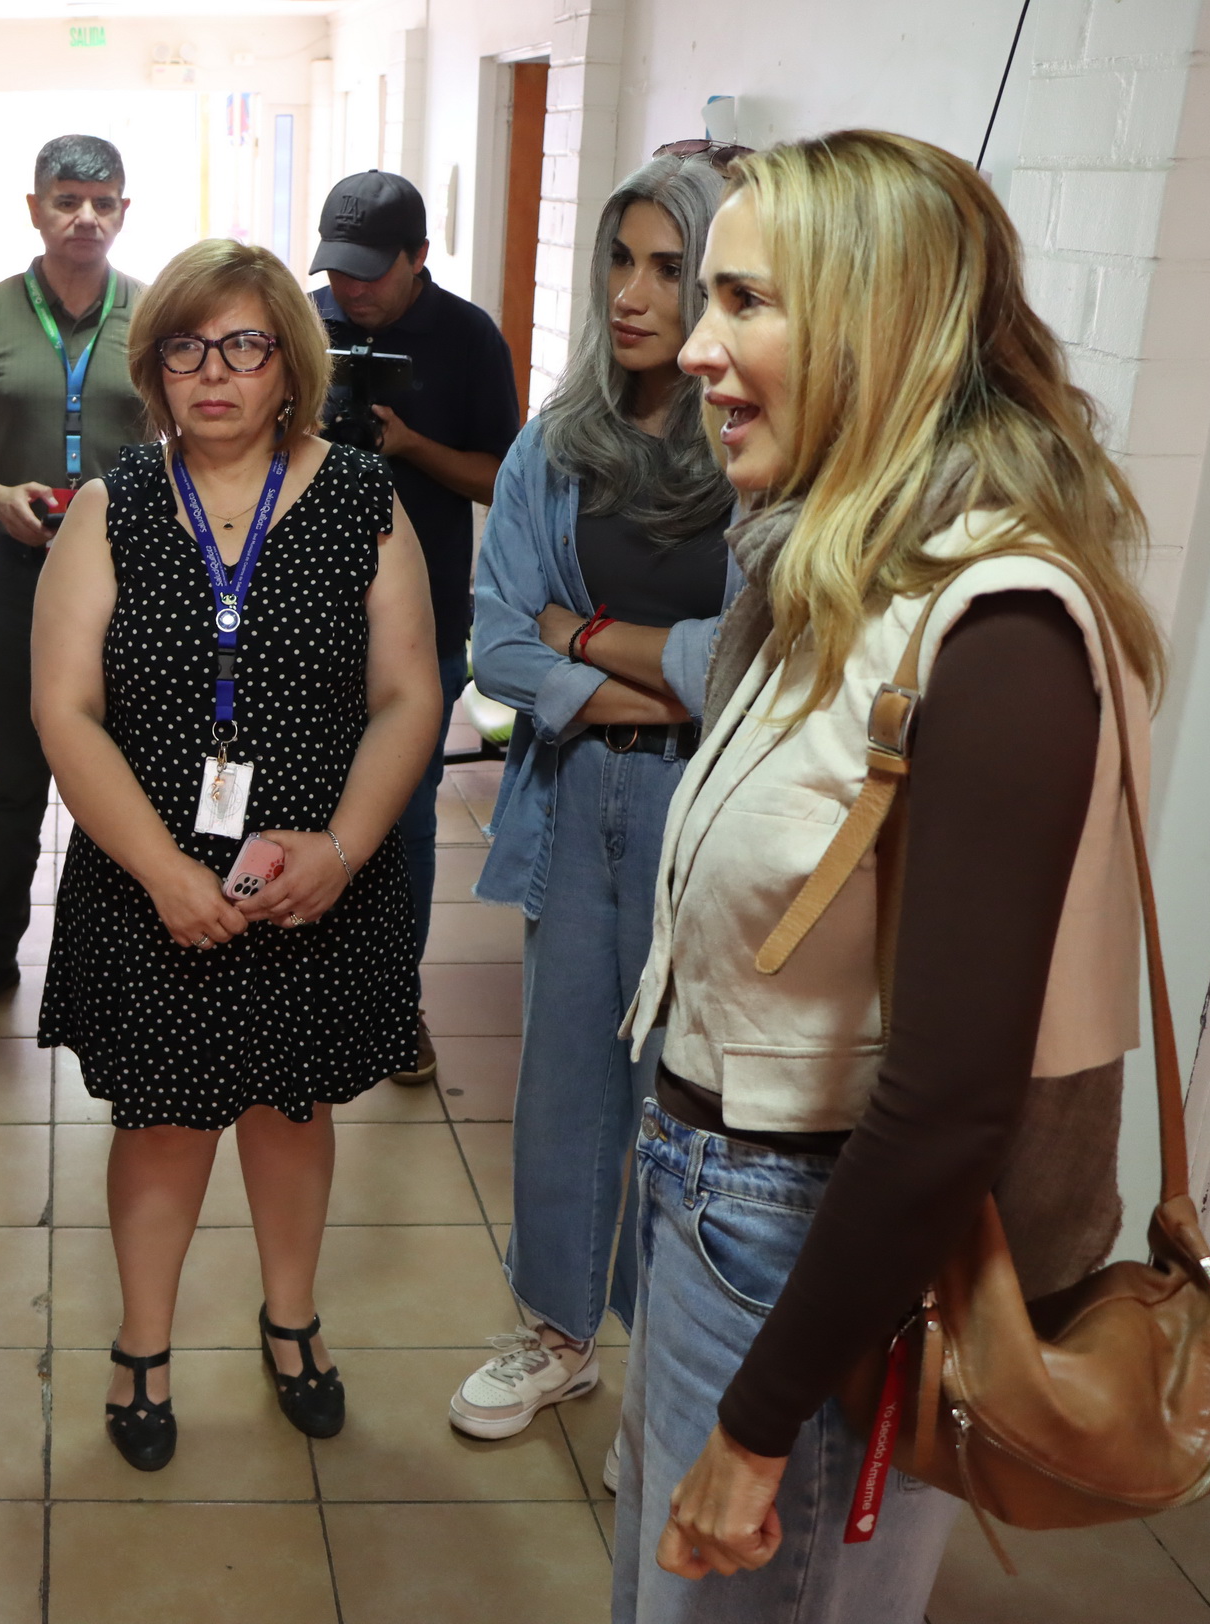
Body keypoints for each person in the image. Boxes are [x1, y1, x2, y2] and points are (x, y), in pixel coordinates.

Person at [614, 131, 1164, 1621]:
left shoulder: (998, 632)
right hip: (715, 1205)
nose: (700, 350)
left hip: (811, 1252)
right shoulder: (838, 573)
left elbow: (946, 1106)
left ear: (881, 323)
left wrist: (759, 1421)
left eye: (745, 302)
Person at [34, 239, 441, 1470]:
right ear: (155, 366)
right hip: (145, 870)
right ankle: (142, 1350)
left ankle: (292, 1323)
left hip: (306, 878)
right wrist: (163, 872)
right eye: (187, 347)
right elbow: (63, 710)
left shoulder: (363, 496)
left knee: (288, 1103)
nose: (216, 373)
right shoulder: (114, 503)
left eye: (246, 346)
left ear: (288, 363)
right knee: (160, 1119)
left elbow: (410, 696)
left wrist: (342, 846)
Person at [449, 152, 740, 1452]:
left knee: (693, 1098)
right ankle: (559, 1337)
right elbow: (498, 644)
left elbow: (749, 667)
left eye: (668, 268)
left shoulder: (766, 462)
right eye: (620, 260)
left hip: (712, 808)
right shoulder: (554, 444)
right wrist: (645, 673)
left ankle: (672, 1372)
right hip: (575, 800)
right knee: (569, 1080)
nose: (631, 293)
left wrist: (587, 634)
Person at [0, 134, 153, 1025]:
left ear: (123, 212)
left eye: (102, 201)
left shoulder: (158, 311)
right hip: (21, 568)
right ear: (34, 208)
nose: (84, 216)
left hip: (135, 577)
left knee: (132, 769)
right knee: (18, 773)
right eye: (66, 199)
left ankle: (127, 956)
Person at [311, 170, 522, 1086]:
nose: (350, 292)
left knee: (403, 819)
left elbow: (501, 480)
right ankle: (303, 987)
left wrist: (411, 447)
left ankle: (394, 1000)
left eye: (370, 274)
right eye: (338, 272)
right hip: (306, 616)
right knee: (303, 803)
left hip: (422, 619)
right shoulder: (300, 320)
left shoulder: (469, 337)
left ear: (419, 259)